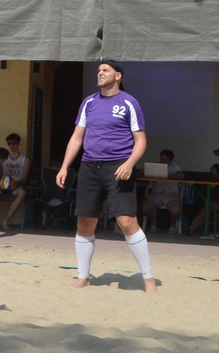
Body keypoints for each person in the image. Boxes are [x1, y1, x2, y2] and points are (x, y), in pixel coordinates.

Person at [56, 61, 156, 295]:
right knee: (85, 222)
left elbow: (141, 140)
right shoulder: (88, 102)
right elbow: (77, 138)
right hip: (89, 167)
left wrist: (129, 164)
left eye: (105, 70)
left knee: (126, 222)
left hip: (118, 167)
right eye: (99, 70)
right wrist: (64, 167)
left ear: (118, 75)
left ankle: (149, 279)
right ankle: (83, 277)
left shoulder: (129, 102)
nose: (100, 73)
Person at [0, 134, 30, 230]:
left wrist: (13, 182)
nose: (11, 146)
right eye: (9, 143)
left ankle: (5, 221)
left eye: (14, 143)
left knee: (22, 193)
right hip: (2, 184)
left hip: (16, 184)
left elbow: (24, 178)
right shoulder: (4, 158)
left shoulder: (24, 159)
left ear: (18, 144)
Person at [142, 148, 184, 233]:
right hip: (155, 194)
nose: (162, 161)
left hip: (170, 195)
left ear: (170, 160)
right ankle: (154, 222)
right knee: (145, 208)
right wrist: (150, 175)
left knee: (176, 210)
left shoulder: (174, 167)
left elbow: (180, 176)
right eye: (161, 159)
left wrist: (165, 176)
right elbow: (141, 173)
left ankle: (172, 225)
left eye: (165, 160)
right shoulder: (155, 167)